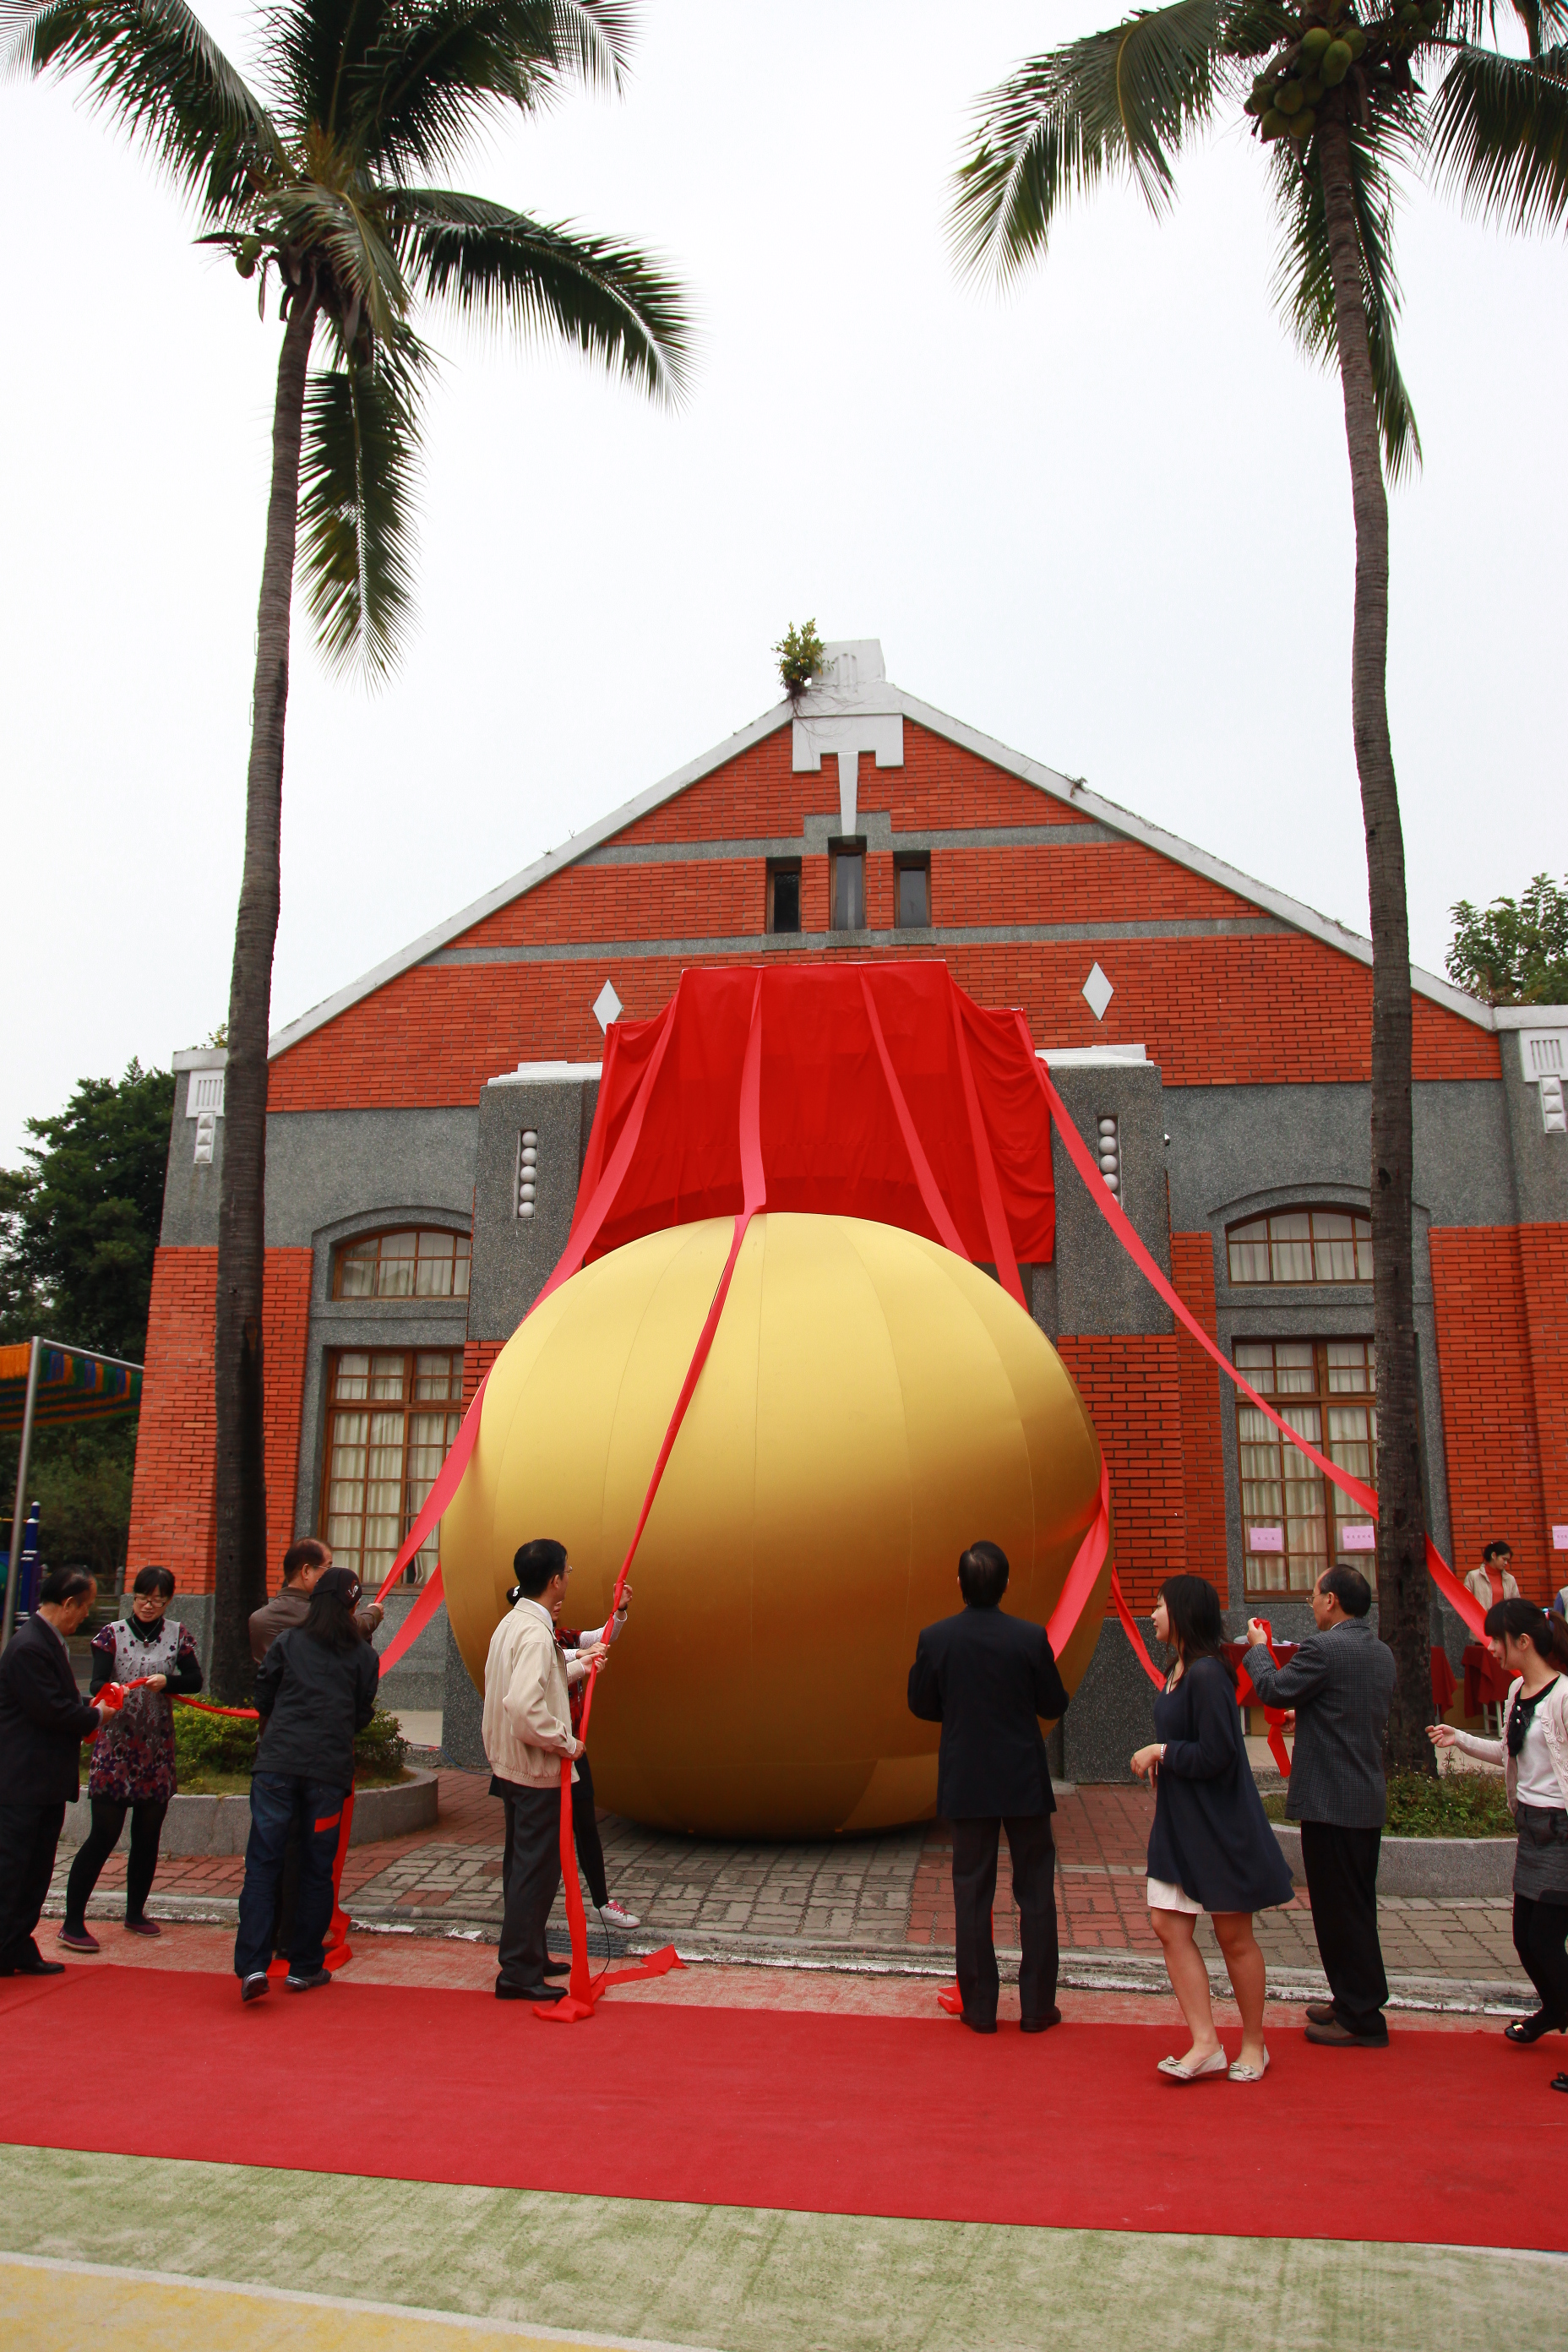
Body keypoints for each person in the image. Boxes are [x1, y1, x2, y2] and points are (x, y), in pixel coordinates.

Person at [1132, 1575, 1293, 2082]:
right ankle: (1205, 2043)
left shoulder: (1206, 1674)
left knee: (1233, 1935)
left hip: (1219, 1823)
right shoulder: (1177, 1670)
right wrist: (1168, 1759)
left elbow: (1219, 1753)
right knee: (1167, 1925)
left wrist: (1162, 1752)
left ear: (1183, 1613)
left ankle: (1254, 2044)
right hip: (1180, 1819)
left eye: (1159, 1606)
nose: (1152, 1615)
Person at [906, 1539, 1070, 2035]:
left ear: (960, 1584)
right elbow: (1053, 1702)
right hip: (1022, 1777)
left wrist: (958, 1710)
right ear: (1006, 1585)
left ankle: (980, 2008)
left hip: (967, 1777)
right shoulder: (1030, 1637)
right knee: (1035, 1890)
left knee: (972, 1891)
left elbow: (920, 1703)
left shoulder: (936, 1638)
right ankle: (1037, 2007)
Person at [1242, 1560, 1396, 2050]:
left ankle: (1362, 2014)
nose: (1310, 1603)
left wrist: (1259, 1650)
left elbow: (1272, 1688)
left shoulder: (1324, 1648)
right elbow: (1347, 1709)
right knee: (1355, 1905)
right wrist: (1304, 1715)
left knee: (1337, 1910)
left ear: (1332, 1600)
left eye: (1313, 1594)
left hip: (1332, 1801)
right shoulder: (1380, 1652)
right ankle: (1353, 1998)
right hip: (1363, 1796)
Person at [233, 1565, 379, 2003]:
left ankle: (253, 1964)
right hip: (327, 1774)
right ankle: (304, 1965)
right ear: (353, 1606)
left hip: (276, 1766)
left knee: (263, 1863)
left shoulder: (288, 1642)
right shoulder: (364, 1656)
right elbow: (362, 1715)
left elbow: (264, 1693)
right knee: (318, 1868)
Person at [1429, 1599, 1568, 2055]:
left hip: (1562, 1833)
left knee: (1545, 1943)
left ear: (1523, 1642)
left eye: (1497, 1640)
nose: (1490, 1648)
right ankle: (1555, 2009)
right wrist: (1460, 1739)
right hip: (1530, 1830)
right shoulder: (1516, 1692)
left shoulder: (1564, 1697)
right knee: (1525, 1941)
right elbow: (1510, 1753)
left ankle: (1558, 2010)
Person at [58, 1565, 203, 1950]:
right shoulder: (111, 1635)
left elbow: (195, 1680)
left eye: (157, 1600)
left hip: (156, 1749)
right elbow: (95, 1682)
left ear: (168, 1601)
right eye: (142, 1598)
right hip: (116, 1748)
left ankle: (135, 1913)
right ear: (133, 1597)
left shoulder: (178, 1635)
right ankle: (72, 1921)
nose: (148, 1605)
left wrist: (168, 1682)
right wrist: (113, 1689)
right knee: (103, 1835)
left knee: (147, 1835)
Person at [484, 1539, 603, 2002]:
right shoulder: (535, 1633)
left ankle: (528, 1953)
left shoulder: (515, 1623)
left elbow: (534, 1682)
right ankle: (518, 1969)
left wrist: (582, 1666)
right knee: (535, 1870)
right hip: (533, 1768)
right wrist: (566, 1743)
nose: (569, 1577)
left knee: (524, 1866)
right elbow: (525, 1707)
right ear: (555, 1580)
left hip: (511, 1765)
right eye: (567, 1571)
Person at [0, 1567, 108, 1977]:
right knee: (14, 1870)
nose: (86, 1615)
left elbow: (58, 1700)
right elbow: (50, 1709)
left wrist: (90, 1707)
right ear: (67, 1604)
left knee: (35, 1870)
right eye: (85, 1607)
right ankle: (5, 1945)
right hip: (22, 1781)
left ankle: (16, 1944)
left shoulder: (46, 1641)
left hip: (42, 1780)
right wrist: (95, 1715)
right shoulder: (29, 1647)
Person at [554, 1587, 639, 1933]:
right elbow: (552, 1662)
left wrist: (619, 1612)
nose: (556, 1601)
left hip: (571, 1750)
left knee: (585, 1827)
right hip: (539, 1755)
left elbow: (601, 1637)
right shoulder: (526, 1639)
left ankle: (601, 1902)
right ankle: (527, 1912)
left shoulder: (563, 1636)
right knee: (537, 1837)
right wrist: (582, 1657)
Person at [249, 1537, 383, 1662]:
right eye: (328, 1568)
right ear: (306, 1571)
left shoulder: (258, 1619)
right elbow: (354, 1627)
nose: (331, 1575)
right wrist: (374, 1612)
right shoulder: (319, 1615)